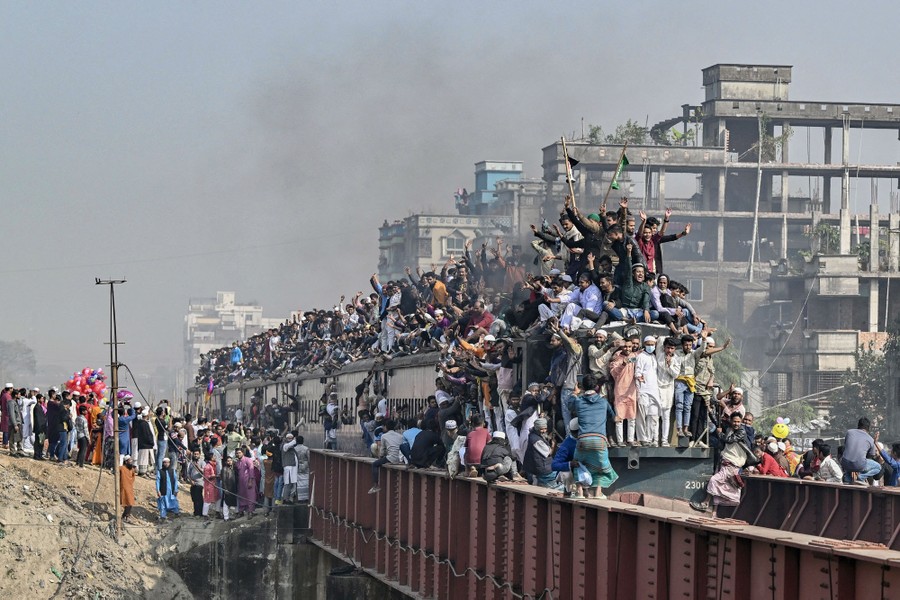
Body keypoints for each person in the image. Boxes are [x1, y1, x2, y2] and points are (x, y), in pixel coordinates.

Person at [567, 374, 618, 499]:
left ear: (583, 387)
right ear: (596, 387)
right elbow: (613, 416)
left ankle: (579, 492)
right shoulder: (603, 402)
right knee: (601, 467)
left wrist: (574, 393)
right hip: (599, 440)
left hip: (583, 439)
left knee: (579, 464)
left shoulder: (579, 401)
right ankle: (598, 493)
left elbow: (569, 405)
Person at [691, 413, 753, 513]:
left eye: (738, 421)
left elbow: (729, 440)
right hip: (725, 462)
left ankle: (706, 503)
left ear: (741, 422)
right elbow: (717, 422)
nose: (736, 423)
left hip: (732, 464)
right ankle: (711, 509)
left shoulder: (741, 431)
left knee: (714, 480)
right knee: (719, 485)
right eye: (734, 421)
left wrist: (719, 433)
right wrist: (710, 412)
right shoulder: (729, 429)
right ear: (731, 421)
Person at [840, 417, 880, 485]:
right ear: (868, 428)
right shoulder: (870, 439)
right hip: (859, 464)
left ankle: (847, 479)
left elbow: (847, 446)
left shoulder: (849, 432)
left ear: (858, 425)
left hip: (845, 463)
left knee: (850, 463)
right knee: (878, 467)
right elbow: (871, 455)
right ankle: (860, 478)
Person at [369, 420, 404, 494]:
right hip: (400, 458)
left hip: (391, 458)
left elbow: (382, 451)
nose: (383, 428)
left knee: (375, 464)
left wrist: (380, 458)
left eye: (383, 427)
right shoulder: (400, 435)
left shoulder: (384, 436)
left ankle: (376, 485)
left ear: (386, 427)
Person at [156, 456, 180, 521]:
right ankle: (163, 516)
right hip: (163, 491)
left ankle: (176, 513)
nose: (166, 464)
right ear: (163, 463)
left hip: (171, 491)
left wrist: (176, 489)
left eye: (167, 462)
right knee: (163, 503)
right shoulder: (160, 472)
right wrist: (158, 490)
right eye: (165, 463)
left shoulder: (172, 471)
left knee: (174, 502)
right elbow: (157, 482)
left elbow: (175, 481)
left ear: (169, 463)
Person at [186, 450, 206, 517]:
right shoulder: (191, 463)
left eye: (197, 454)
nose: (196, 455)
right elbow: (188, 473)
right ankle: (195, 512)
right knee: (194, 498)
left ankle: (200, 513)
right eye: (195, 454)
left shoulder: (202, 462)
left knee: (198, 498)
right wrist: (190, 480)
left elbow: (204, 473)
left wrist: (198, 467)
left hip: (199, 483)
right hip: (192, 483)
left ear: (200, 455)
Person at [219, 455, 238, 520]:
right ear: (226, 462)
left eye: (230, 460)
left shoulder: (233, 468)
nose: (229, 462)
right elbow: (224, 480)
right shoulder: (224, 469)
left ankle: (232, 515)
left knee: (232, 502)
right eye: (228, 461)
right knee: (226, 503)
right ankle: (226, 517)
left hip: (233, 488)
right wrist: (225, 489)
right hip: (227, 488)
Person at [202, 452, 219, 518]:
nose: (215, 457)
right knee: (207, 499)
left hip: (214, 485)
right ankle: (205, 514)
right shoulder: (207, 467)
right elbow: (207, 477)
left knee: (217, 498)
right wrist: (215, 476)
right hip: (209, 485)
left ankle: (217, 512)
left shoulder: (214, 465)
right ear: (211, 458)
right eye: (214, 456)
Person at [120, 455, 137, 522]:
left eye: (131, 460)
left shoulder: (132, 469)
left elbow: (133, 477)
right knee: (127, 503)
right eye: (129, 461)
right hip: (124, 488)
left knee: (130, 503)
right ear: (126, 461)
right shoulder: (121, 468)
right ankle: (125, 516)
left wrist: (130, 482)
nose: (131, 462)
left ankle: (125, 516)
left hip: (130, 488)